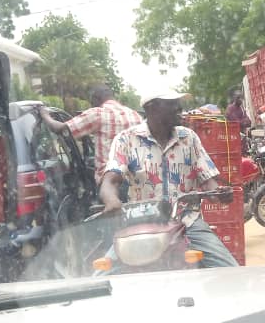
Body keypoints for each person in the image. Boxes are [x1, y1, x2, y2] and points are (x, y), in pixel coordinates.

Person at [99, 91, 238, 268]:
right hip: (140, 225)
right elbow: (110, 180)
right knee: (102, 277)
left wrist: (219, 193)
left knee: (228, 268)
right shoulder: (126, 139)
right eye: (171, 103)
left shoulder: (188, 137)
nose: (178, 107)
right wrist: (111, 200)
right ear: (151, 108)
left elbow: (208, 179)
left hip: (186, 221)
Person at [39, 85, 142, 183]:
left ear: (96, 99)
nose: (91, 104)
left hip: (111, 183)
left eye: (91, 101)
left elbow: (62, 130)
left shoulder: (97, 114)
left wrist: (45, 115)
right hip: (137, 179)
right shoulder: (135, 115)